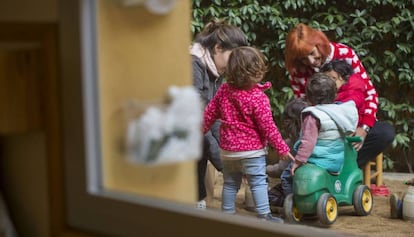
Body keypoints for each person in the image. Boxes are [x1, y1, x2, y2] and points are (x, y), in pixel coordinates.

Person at [202, 46, 294, 222]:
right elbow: (268, 127)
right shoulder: (258, 98)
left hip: (228, 151)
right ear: (257, 72)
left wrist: (200, 131)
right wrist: (281, 148)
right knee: (258, 182)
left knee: (230, 183)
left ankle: (227, 214)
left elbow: (210, 113)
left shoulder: (224, 90)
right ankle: (264, 215)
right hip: (252, 151)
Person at [284, 23, 395, 168]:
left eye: (312, 53)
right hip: (323, 130)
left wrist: (364, 128)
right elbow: (304, 107)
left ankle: (346, 168)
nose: (311, 62)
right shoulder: (298, 71)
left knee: (385, 132)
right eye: (304, 59)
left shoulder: (344, 53)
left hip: (353, 124)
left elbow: (370, 94)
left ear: (319, 44)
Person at [190, 19, 248, 209]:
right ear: (217, 48)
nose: (235, 65)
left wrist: (232, 156)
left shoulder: (215, 72)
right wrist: (226, 165)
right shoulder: (193, 65)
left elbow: (214, 119)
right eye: (233, 56)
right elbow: (198, 121)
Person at [280, 73, 358, 196]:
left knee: (287, 175)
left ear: (309, 99)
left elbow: (308, 142)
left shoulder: (313, 116)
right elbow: (349, 131)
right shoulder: (341, 112)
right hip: (337, 161)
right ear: (335, 94)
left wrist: (298, 161)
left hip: (318, 161)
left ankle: (293, 200)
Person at [267, 98, 308, 207]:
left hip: (298, 186)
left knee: (269, 196)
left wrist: (264, 169)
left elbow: (280, 170)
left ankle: (293, 204)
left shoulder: (290, 143)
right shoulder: (315, 138)